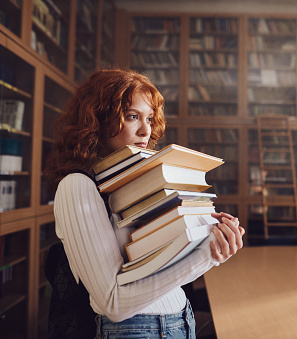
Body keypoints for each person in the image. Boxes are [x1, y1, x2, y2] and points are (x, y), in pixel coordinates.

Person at [44, 68, 245, 339]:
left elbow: (163, 277)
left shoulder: (132, 184)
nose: (145, 130)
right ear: (98, 120)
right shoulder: (78, 186)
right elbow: (112, 303)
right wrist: (205, 256)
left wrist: (208, 239)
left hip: (182, 322)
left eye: (149, 118)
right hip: (138, 332)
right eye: (132, 116)